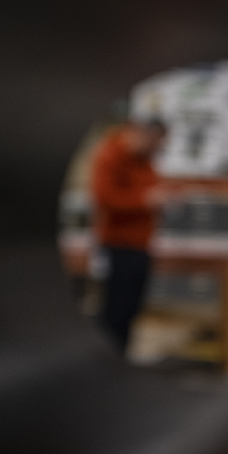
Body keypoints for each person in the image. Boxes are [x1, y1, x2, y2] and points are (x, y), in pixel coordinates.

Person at [90, 118, 168, 352]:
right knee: (116, 310)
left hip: (142, 243)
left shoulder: (145, 162)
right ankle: (106, 358)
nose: (158, 149)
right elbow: (105, 200)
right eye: (156, 142)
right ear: (141, 134)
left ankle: (121, 356)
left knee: (132, 309)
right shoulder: (111, 156)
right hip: (119, 244)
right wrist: (147, 200)